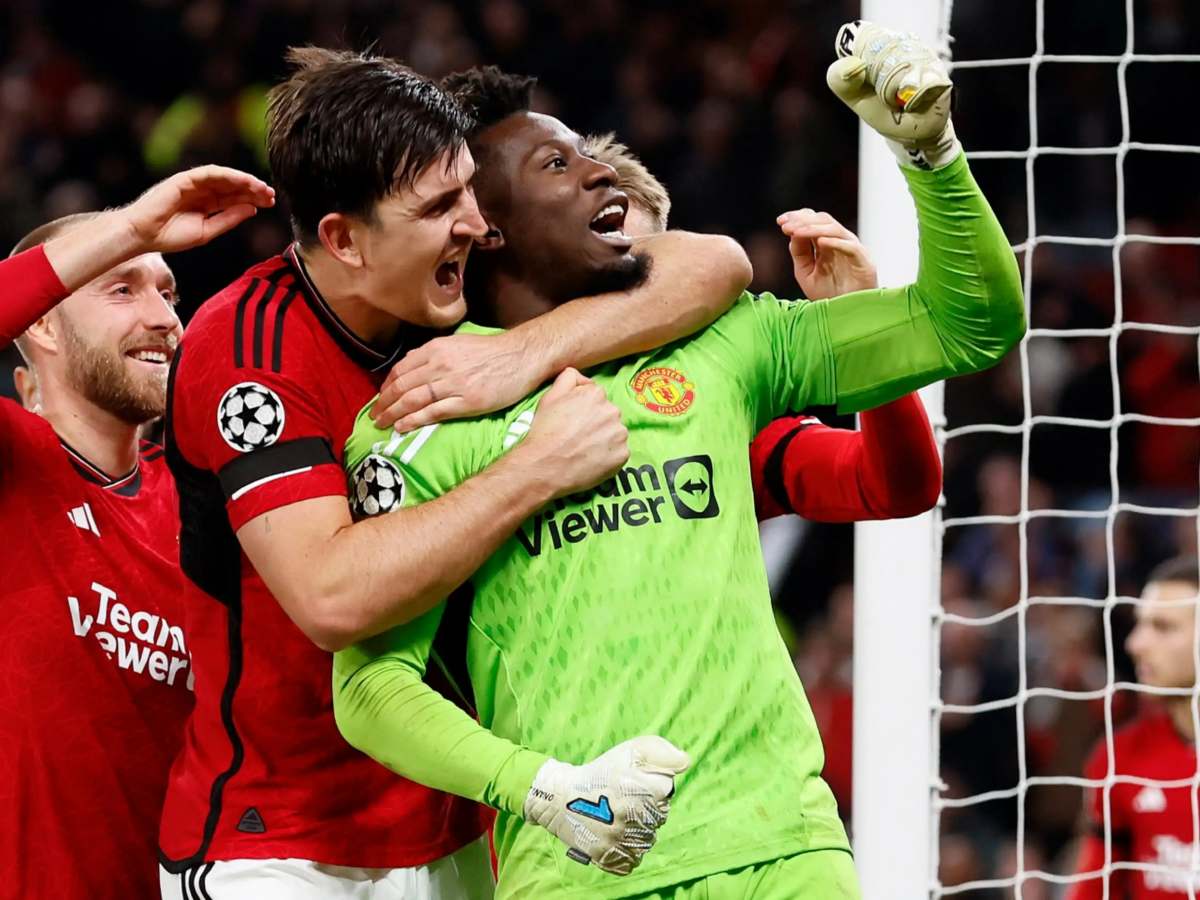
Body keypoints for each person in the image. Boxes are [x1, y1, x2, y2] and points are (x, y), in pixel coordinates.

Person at [333, 21, 1024, 898]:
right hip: (584, 867)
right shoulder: (426, 410)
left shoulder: (721, 343)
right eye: (558, 165)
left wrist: (931, 156)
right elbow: (369, 690)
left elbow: (969, 323)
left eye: (591, 156)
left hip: (783, 845)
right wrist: (546, 793)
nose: (600, 172)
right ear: (488, 229)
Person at [160, 47, 747, 898]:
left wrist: (521, 353)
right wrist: (534, 470)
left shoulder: (453, 297)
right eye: (440, 206)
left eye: (469, 187)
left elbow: (717, 264)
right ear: (344, 241)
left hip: (461, 822)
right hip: (285, 844)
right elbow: (333, 599)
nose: (474, 223)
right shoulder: (249, 351)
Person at [0, 166, 274, 897]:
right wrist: (132, 224)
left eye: (167, 291)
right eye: (121, 288)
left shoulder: (205, 501)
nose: (164, 319)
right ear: (42, 323)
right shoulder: (12, 464)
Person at [581, 132, 943, 524]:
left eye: (638, 263)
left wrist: (861, 322)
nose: (619, 283)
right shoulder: (511, 401)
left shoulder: (724, 416)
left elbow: (899, 488)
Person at [1067, 557, 1200, 900]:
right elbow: (1092, 890)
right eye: (1140, 625)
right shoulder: (1119, 756)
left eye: (1163, 627)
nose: (1136, 644)